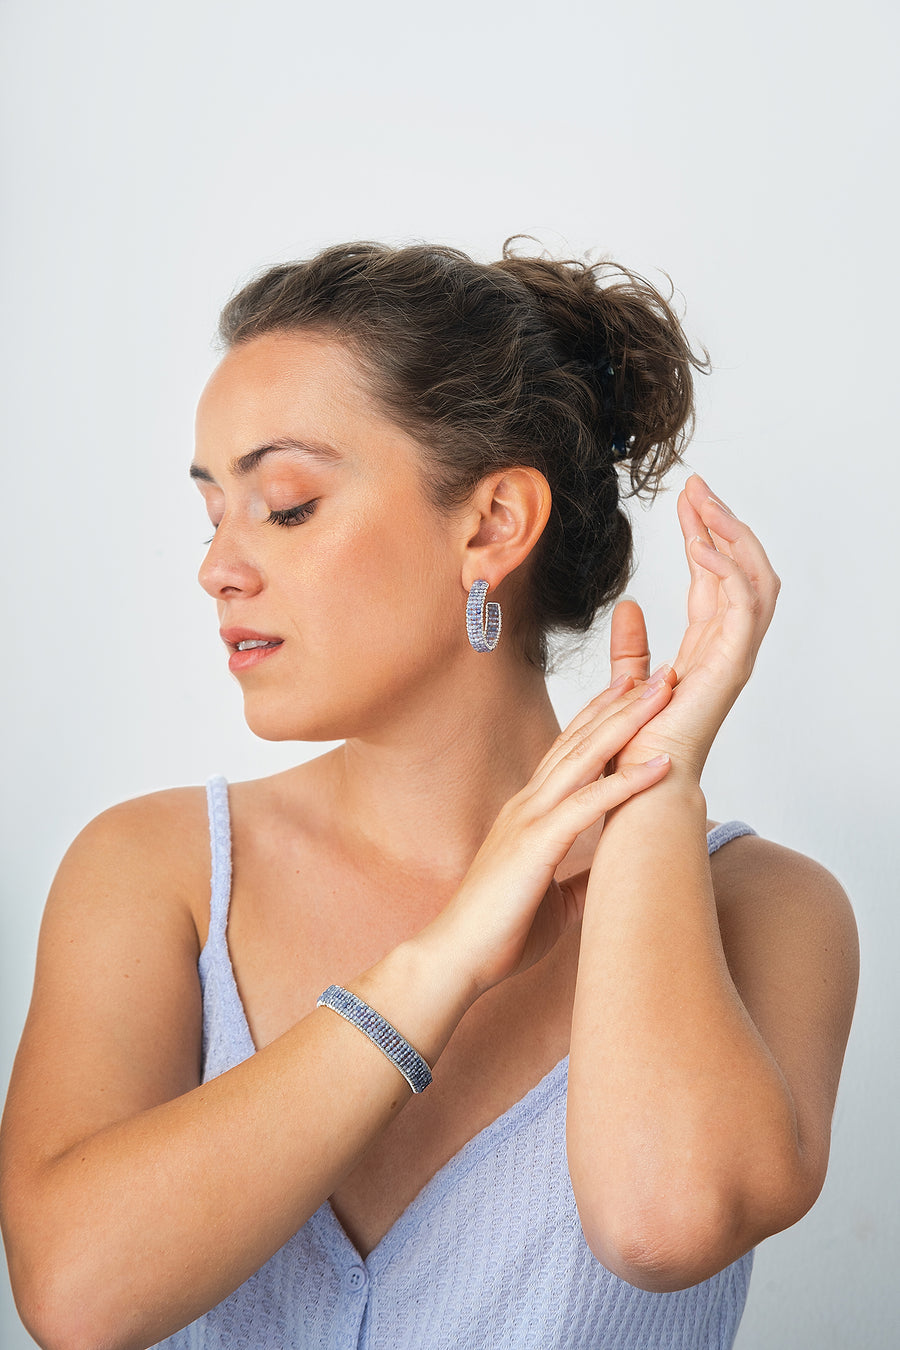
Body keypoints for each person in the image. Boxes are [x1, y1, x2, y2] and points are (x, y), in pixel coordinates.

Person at [0, 238, 858, 1350]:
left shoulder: (767, 910)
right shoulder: (153, 870)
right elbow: (73, 1296)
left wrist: (650, 800)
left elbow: (665, 1224)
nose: (218, 566)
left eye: (287, 505)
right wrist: (442, 961)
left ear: (493, 524)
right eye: (214, 512)